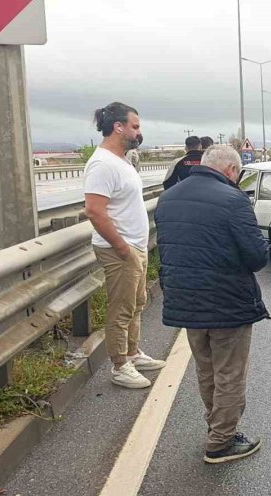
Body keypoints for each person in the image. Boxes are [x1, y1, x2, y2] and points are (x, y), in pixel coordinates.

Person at [155, 145, 270, 464]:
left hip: (185, 301)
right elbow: (257, 257)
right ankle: (221, 441)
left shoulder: (168, 198)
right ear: (232, 171)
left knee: (206, 369)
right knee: (230, 373)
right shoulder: (234, 200)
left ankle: (216, 427)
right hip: (226, 302)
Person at [83, 102, 166, 389]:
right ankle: (120, 366)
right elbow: (94, 210)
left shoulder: (122, 160)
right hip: (120, 248)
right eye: (135, 126)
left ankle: (132, 353)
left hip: (134, 245)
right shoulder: (102, 163)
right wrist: (121, 248)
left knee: (137, 302)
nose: (138, 131)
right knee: (121, 308)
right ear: (118, 127)